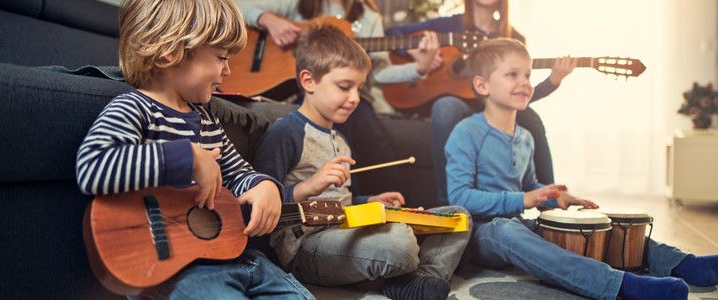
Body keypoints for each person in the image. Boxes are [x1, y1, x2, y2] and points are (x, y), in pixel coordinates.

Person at [445, 38, 718, 300]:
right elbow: (459, 197)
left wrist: (555, 198)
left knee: (597, 224)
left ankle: (688, 266)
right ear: (482, 85)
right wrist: (523, 200)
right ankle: (623, 285)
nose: (524, 82)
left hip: (517, 227)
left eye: (527, 74)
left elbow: (531, 184)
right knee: (503, 228)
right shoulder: (466, 132)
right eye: (512, 74)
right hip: (481, 235)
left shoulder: (525, 137)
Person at [74, 0, 313, 298]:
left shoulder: (205, 116)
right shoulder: (133, 108)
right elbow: (93, 166)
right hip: (174, 269)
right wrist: (187, 158)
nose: (227, 71)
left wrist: (264, 186)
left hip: (233, 256)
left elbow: (238, 172)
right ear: (171, 52)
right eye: (221, 57)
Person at [252, 24, 471, 300]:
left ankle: (420, 280)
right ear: (308, 81)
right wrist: (307, 186)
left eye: (359, 88)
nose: (355, 98)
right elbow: (258, 205)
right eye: (345, 87)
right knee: (400, 242)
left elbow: (341, 204)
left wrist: (369, 201)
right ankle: (413, 276)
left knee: (459, 216)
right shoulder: (287, 132)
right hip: (306, 248)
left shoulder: (340, 139)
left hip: (346, 230)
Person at [237, 0, 443, 195]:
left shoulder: (369, 17)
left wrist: (419, 68)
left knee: (359, 114)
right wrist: (267, 19)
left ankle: (374, 203)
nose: (353, 97)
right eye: (344, 87)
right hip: (299, 94)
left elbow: (378, 72)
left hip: (355, 108)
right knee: (348, 113)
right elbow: (231, 5)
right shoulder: (298, 3)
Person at [386, 0, 575, 205]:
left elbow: (518, 95)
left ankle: (551, 200)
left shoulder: (514, 38)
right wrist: (417, 52)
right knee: (445, 107)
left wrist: (552, 82)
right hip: (460, 105)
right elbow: (393, 33)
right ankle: (446, 205)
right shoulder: (449, 26)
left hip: (494, 108)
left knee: (531, 117)